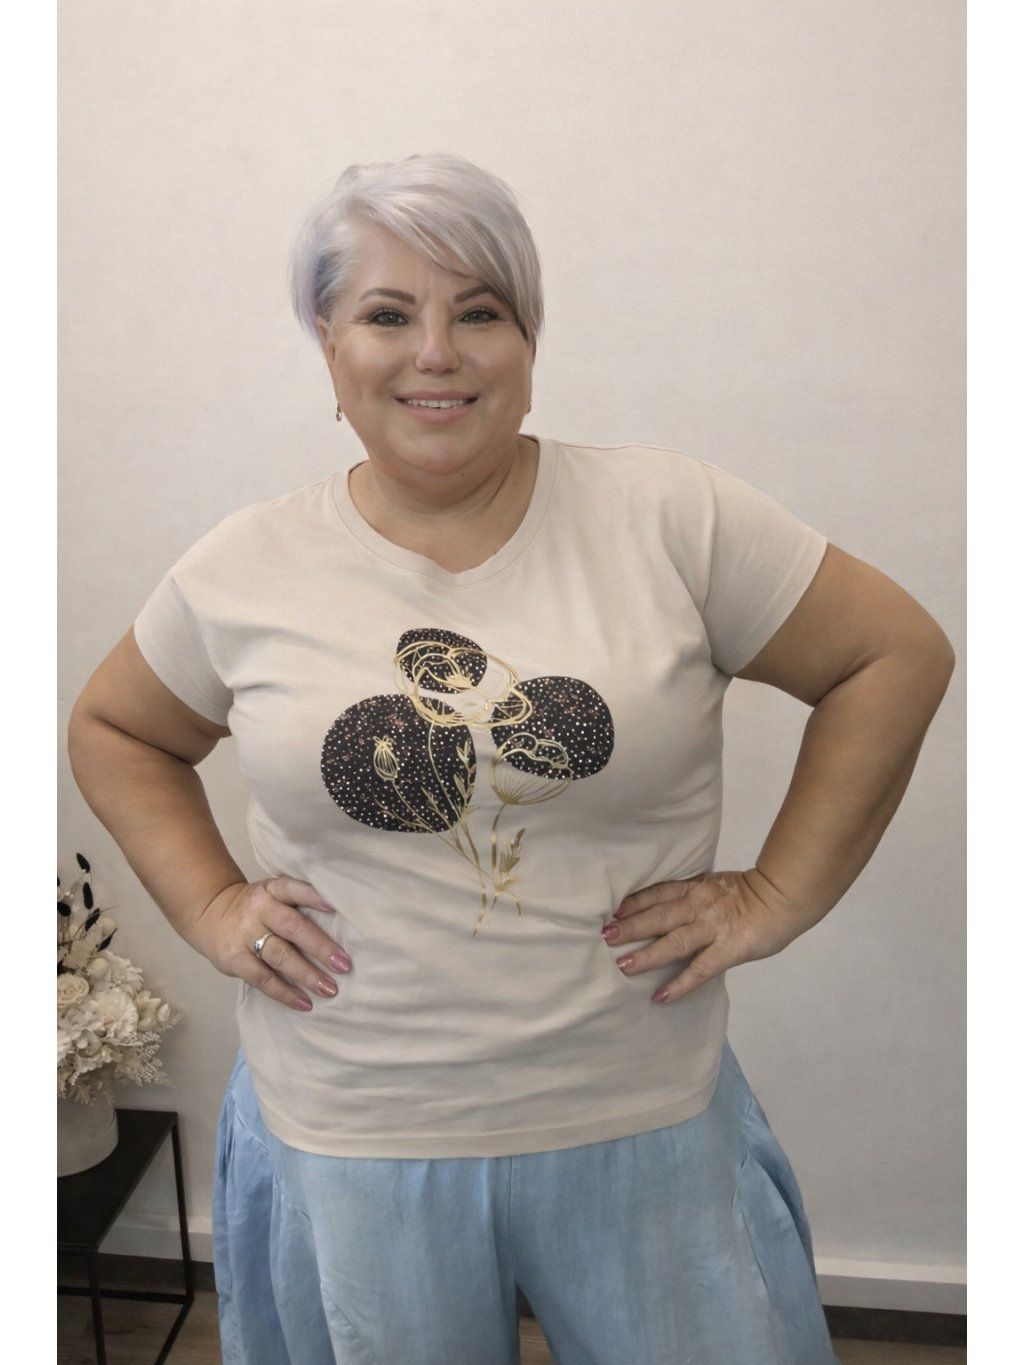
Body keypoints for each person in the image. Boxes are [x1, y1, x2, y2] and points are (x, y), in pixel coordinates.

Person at [68, 153, 955, 1365]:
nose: (435, 352)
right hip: (353, 1133)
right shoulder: (241, 567)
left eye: (479, 312)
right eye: (388, 315)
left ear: (528, 338)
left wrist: (776, 895)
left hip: (639, 1114)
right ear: (328, 343)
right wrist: (212, 905)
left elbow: (892, 655)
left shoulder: (670, 517)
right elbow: (117, 729)